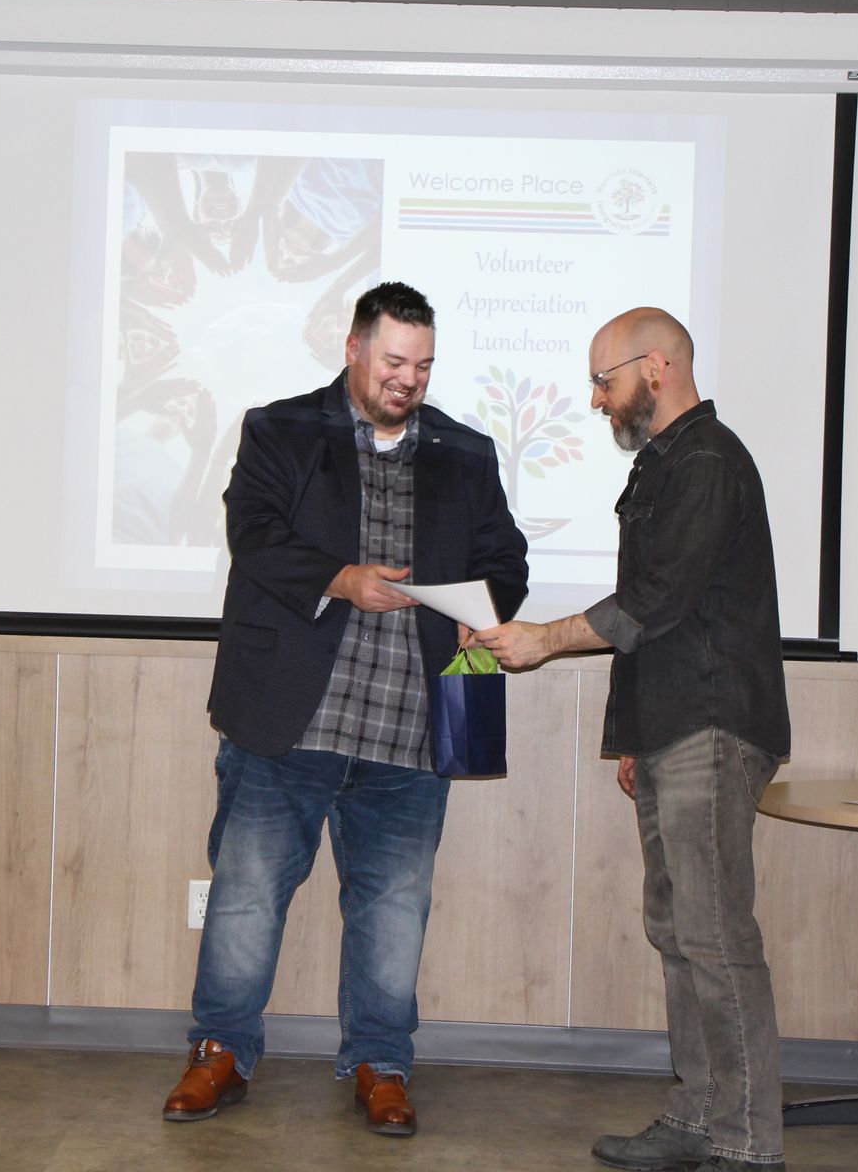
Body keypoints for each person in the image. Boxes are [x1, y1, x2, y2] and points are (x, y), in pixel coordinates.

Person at [163, 281, 529, 1137]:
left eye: (424, 365)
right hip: (289, 722)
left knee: (394, 906)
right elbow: (252, 532)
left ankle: (381, 1063)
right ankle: (219, 1051)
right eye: (395, 361)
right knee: (248, 895)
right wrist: (340, 579)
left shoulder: (467, 453)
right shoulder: (281, 428)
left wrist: (468, 601)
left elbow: (504, 563)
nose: (410, 379)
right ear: (354, 349)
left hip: (411, 730)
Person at [474, 307, 790, 1172]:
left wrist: (543, 638)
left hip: (713, 727)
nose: (595, 400)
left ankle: (748, 1141)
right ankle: (697, 1115)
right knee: (679, 928)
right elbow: (661, 619)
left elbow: (656, 602)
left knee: (716, 933)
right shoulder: (666, 465)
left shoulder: (708, 462)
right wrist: (633, 737)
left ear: (656, 368)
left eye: (603, 381)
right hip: (672, 728)